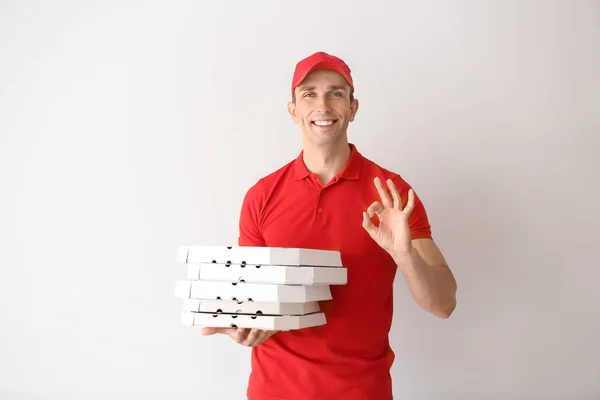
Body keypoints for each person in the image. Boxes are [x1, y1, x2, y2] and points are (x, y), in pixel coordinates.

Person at [201, 51, 458, 400]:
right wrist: (242, 323)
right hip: (273, 391)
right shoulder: (262, 195)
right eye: (309, 93)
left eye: (336, 92)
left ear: (353, 108)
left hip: (361, 391)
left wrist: (404, 253)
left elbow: (442, 305)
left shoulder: (392, 193)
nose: (323, 104)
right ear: (293, 110)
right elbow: (250, 297)